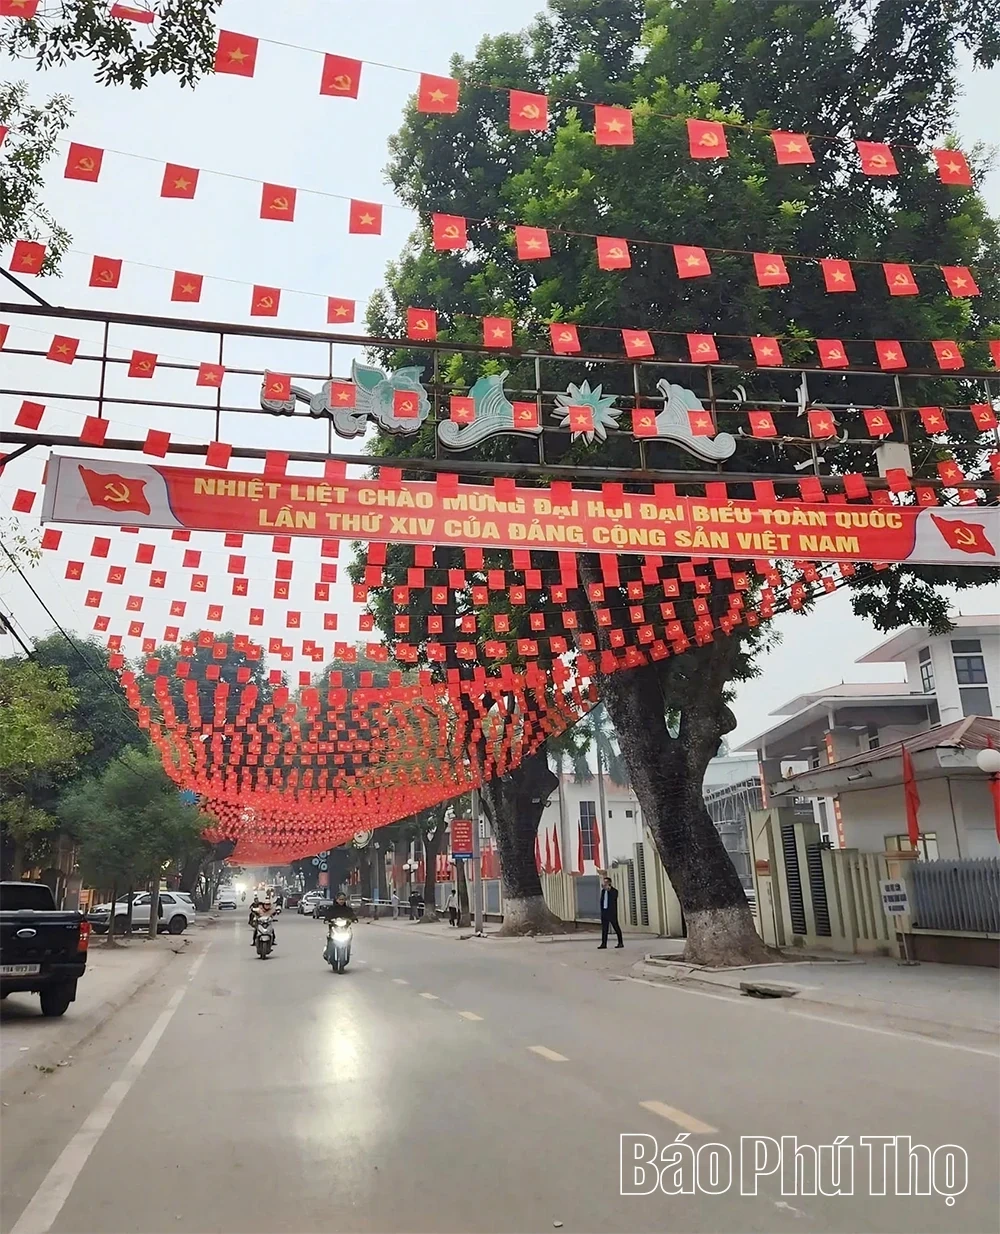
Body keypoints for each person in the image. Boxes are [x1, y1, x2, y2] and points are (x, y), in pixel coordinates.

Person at [598, 877, 624, 949]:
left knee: (616, 927)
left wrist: (608, 890)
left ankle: (620, 942)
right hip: (604, 912)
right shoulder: (603, 891)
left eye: (606, 882)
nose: (604, 884)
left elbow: (614, 898)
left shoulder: (614, 891)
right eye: (604, 882)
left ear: (609, 883)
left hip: (612, 913)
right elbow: (602, 901)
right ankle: (604, 944)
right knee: (604, 929)